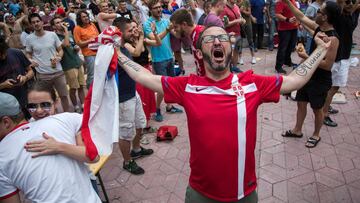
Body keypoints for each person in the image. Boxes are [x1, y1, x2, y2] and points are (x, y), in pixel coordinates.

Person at [115, 25, 330, 202]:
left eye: (222, 38)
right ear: (199, 53)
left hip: (243, 194)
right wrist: (117, 54)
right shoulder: (187, 86)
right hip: (200, 193)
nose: (217, 42)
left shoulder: (251, 83)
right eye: (210, 40)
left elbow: (295, 81)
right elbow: (145, 77)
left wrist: (320, 49)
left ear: (230, 48)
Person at [0, 92, 101, 203]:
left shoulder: (66, 120)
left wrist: (59, 146)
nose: (39, 111)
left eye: (45, 105)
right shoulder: (65, 120)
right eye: (32, 106)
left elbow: (93, 156)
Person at [281, 0, 341, 148]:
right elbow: (301, 16)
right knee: (301, 104)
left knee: (317, 109)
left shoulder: (333, 38)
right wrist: (288, 3)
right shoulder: (319, 29)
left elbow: (327, 65)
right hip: (307, 76)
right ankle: (297, 130)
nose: (317, 13)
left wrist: (306, 57)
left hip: (320, 79)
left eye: (320, 11)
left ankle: (316, 134)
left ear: (326, 17)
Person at [113, 17, 154, 175]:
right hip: (123, 98)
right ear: (120, 31)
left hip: (132, 93)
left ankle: (136, 150)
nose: (133, 32)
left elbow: (137, 54)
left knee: (139, 123)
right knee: (125, 132)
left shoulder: (124, 46)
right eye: (130, 30)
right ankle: (127, 161)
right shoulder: (113, 50)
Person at [143, 0, 183, 122]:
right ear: (150, 10)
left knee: (170, 84)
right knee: (161, 87)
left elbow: (176, 35)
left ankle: (169, 106)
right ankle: (157, 109)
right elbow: (155, 40)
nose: (159, 10)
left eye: (160, 7)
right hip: (158, 60)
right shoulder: (147, 24)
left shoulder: (165, 20)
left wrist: (180, 28)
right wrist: (167, 29)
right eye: (156, 8)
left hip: (169, 57)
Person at [322, 0, 359, 127]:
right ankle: (324, 113)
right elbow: (342, 3)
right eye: (347, 2)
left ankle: (325, 107)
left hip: (344, 55)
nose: (350, 4)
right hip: (339, 56)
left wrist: (354, 6)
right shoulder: (339, 15)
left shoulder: (350, 15)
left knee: (334, 86)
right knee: (334, 86)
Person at [25, 13, 71, 112]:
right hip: (42, 74)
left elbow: (60, 50)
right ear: (31, 25)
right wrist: (31, 61)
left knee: (64, 96)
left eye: (37, 21)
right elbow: (28, 54)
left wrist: (58, 57)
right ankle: (53, 118)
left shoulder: (52, 34)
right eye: (33, 22)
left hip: (58, 71)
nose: (36, 24)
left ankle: (67, 115)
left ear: (42, 22)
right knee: (48, 99)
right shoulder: (29, 39)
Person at [124, 20, 160, 135]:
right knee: (142, 99)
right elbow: (136, 53)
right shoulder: (126, 44)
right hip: (136, 75)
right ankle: (141, 129)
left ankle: (147, 125)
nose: (135, 30)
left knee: (149, 97)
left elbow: (158, 43)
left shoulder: (142, 40)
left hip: (146, 71)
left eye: (136, 27)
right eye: (132, 28)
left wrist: (154, 32)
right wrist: (141, 37)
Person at [52, 16, 85, 113]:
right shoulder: (56, 37)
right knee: (73, 87)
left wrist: (77, 48)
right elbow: (65, 44)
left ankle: (83, 104)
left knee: (82, 86)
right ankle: (75, 106)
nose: (61, 23)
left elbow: (72, 45)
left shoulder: (68, 34)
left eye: (61, 21)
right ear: (54, 26)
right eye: (57, 22)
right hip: (68, 65)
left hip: (77, 61)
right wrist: (66, 30)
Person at [0, 36, 33, 119]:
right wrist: (3, 85)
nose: (3, 57)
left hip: (26, 98)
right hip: (7, 108)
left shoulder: (16, 52)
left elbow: (31, 71)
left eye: (4, 53)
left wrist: (25, 78)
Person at [170, 8, 205, 76]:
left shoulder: (198, 37)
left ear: (184, 24)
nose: (174, 30)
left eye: (176, 27)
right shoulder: (195, 34)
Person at [73, 10, 99, 87]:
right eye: (83, 17)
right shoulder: (77, 28)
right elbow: (79, 43)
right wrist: (90, 40)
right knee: (92, 74)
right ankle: (90, 92)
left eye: (86, 16)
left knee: (100, 72)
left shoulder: (92, 25)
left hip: (99, 52)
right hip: (89, 54)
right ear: (79, 19)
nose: (86, 18)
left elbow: (98, 36)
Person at [220, 0, 247, 73]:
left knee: (236, 51)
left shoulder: (236, 7)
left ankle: (234, 67)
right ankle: (228, 69)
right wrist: (237, 21)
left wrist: (242, 20)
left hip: (238, 33)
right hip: (230, 35)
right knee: (229, 53)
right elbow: (224, 24)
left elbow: (240, 18)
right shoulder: (224, 9)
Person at [274, 0, 299, 74]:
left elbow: (297, 13)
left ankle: (287, 61)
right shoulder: (280, 2)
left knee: (291, 46)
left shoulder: (293, 1)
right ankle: (278, 66)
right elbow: (277, 15)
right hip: (284, 29)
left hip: (294, 28)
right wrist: (287, 19)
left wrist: (299, 24)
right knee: (283, 48)